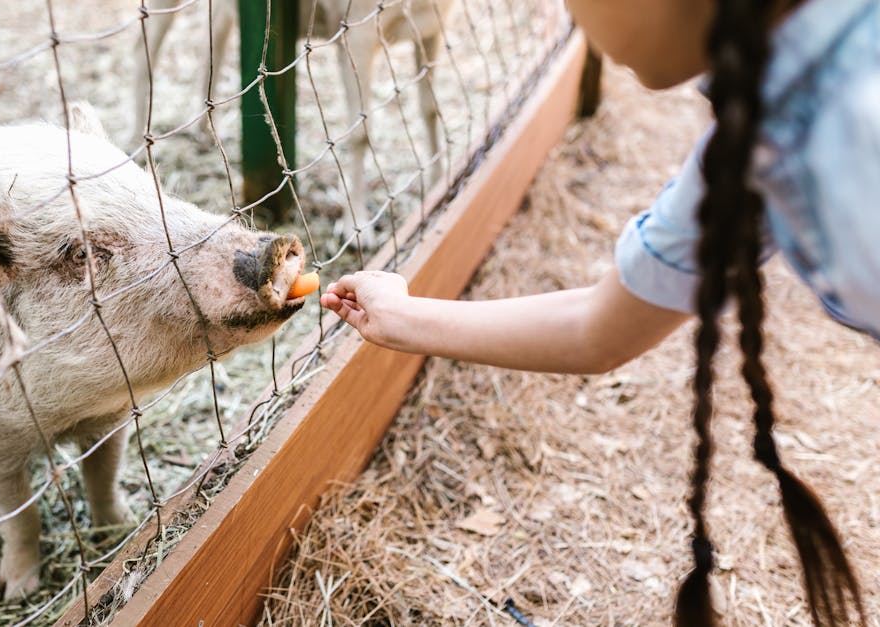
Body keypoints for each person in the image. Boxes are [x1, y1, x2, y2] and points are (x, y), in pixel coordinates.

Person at [320, 0, 879, 624]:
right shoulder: (757, 121)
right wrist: (401, 317)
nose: (567, 12)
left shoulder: (855, 118)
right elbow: (599, 325)